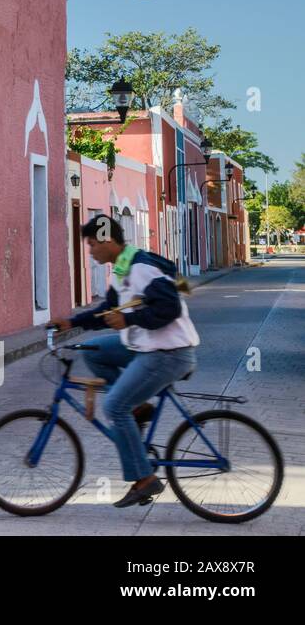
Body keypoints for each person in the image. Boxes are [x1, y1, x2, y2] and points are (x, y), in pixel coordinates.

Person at [51, 214, 199, 508]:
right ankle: (138, 407)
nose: (90, 250)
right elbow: (108, 309)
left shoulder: (141, 268)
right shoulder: (122, 268)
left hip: (168, 353)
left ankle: (144, 479)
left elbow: (169, 308)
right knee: (93, 350)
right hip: (146, 347)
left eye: (92, 244)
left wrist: (128, 318)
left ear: (107, 240)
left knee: (113, 406)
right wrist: (71, 323)